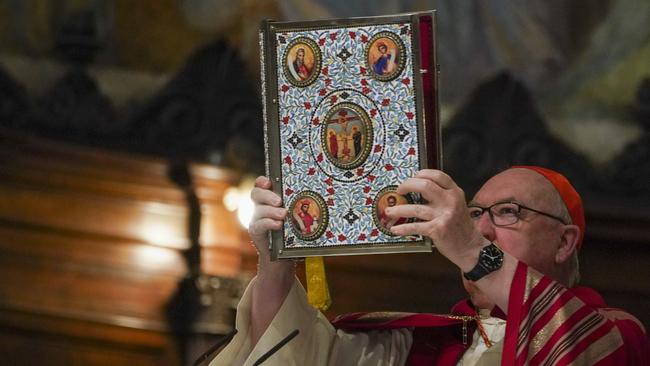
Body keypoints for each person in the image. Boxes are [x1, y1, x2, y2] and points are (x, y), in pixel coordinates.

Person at [210, 166, 649, 365]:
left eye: (509, 212)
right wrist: (274, 261)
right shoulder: (422, 345)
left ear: (564, 242)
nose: (486, 229)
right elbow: (296, 354)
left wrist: (472, 250)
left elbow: (579, 350)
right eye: (474, 214)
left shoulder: (615, 334)